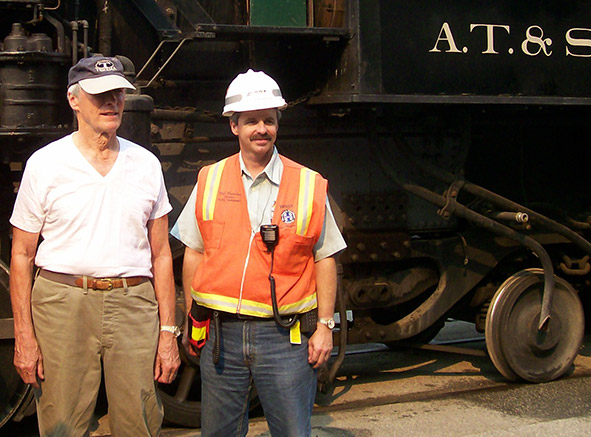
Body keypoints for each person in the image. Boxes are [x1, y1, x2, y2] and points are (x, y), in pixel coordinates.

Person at [10, 56, 181, 437]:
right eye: (101, 94)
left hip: (133, 303)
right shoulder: (45, 164)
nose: (112, 102)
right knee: (62, 424)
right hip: (63, 305)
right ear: (73, 99)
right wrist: (24, 335)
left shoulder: (146, 165)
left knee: (139, 421)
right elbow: (21, 255)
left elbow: (161, 254)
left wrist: (169, 332)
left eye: (118, 93)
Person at [171, 69, 346, 436]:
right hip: (221, 336)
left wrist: (326, 327)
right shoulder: (210, 179)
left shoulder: (308, 184)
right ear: (234, 126)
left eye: (268, 120)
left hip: (285, 338)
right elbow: (194, 252)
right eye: (251, 121)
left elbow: (325, 257)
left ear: (278, 123)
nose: (261, 129)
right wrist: (192, 317)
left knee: (292, 432)